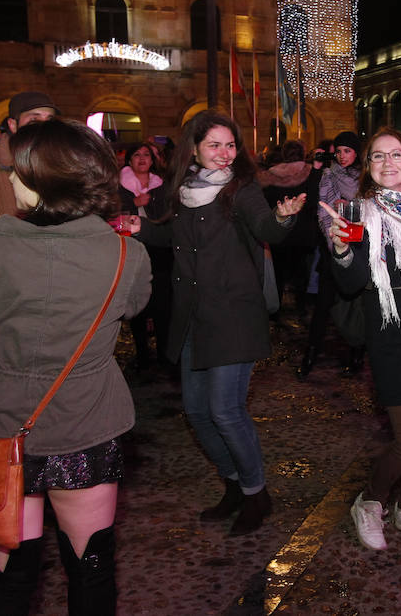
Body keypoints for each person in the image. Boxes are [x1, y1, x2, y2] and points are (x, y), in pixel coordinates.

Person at [0, 118, 151, 615]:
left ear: (41, 181)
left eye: (15, 171)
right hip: (84, 422)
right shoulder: (126, 253)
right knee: (91, 571)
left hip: (2, 428)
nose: (9, 179)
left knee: (9, 579)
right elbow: (132, 308)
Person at [132, 110, 305, 535]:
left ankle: (255, 493)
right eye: (215, 145)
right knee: (197, 411)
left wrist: (283, 217)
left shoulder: (240, 190)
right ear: (194, 148)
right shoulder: (184, 190)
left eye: (231, 145)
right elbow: (168, 235)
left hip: (234, 315)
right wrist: (139, 227)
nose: (225, 154)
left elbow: (268, 228)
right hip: (192, 316)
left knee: (226, 412)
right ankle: (233, 485)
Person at [321, 128, 401, 551]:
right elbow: (354, 282)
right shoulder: (360, 213)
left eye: (396, 154)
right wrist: (341, 251)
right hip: (392, 334)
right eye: (378, 157)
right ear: (368, 167)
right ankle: (371, 501)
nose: (388, 162)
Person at [297, 131, 365, 378]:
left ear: (357, 152)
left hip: (358, 251)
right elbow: (313, 202)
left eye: (347, 150)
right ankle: (310, 355)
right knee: (323, 307)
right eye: (338, 151)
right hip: (330, 251)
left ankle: (357, 353)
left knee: (358, 307)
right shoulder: (328, 175)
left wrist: (350, 211)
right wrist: (316, 168)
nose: (342, 156)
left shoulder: (365, 177)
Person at [118, 142, 172, 374]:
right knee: (136, 303)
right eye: (137, 154)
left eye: (146, 155)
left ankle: (164, 354)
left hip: (159, 251)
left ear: (153, 160)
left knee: (162, 303)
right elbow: (111, 214)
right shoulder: (118, 186)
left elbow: (170, 216)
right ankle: (142, 354)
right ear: (129, 160)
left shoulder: (162, 186)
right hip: (131, 250)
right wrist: (133, 203)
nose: (142, 158)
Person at [258, 139, 319, 314]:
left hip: (279, 233)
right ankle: (301, 310)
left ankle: (275, 312)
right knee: (301, 274)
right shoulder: (311, 173)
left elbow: (265, 205)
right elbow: (314, 200)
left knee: (278, 274)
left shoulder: (270, 175)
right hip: (303, 234)